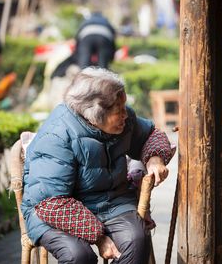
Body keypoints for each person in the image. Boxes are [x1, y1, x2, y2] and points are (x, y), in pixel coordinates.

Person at [21, 67, 174, 263]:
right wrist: (98, 236)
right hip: (53, 211)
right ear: (95, 115)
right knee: (79, 256)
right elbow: (51, 203)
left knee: (137, 240)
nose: (125, 115)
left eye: (124, 107)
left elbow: (151, 134)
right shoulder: (57, 135)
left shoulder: (123, 120)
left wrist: (155, 158)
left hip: (110, 202)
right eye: (118, 111)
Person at [51, 12, 116, 79]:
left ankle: (83, 81)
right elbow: (113, 41)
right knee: (103, 67)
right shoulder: (105, 21)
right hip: (104, 36)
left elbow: (78, 38)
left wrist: (78, 53)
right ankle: (103, 83)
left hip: (86, 37)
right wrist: (110, 57)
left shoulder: (87, 21)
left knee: (84, 66)